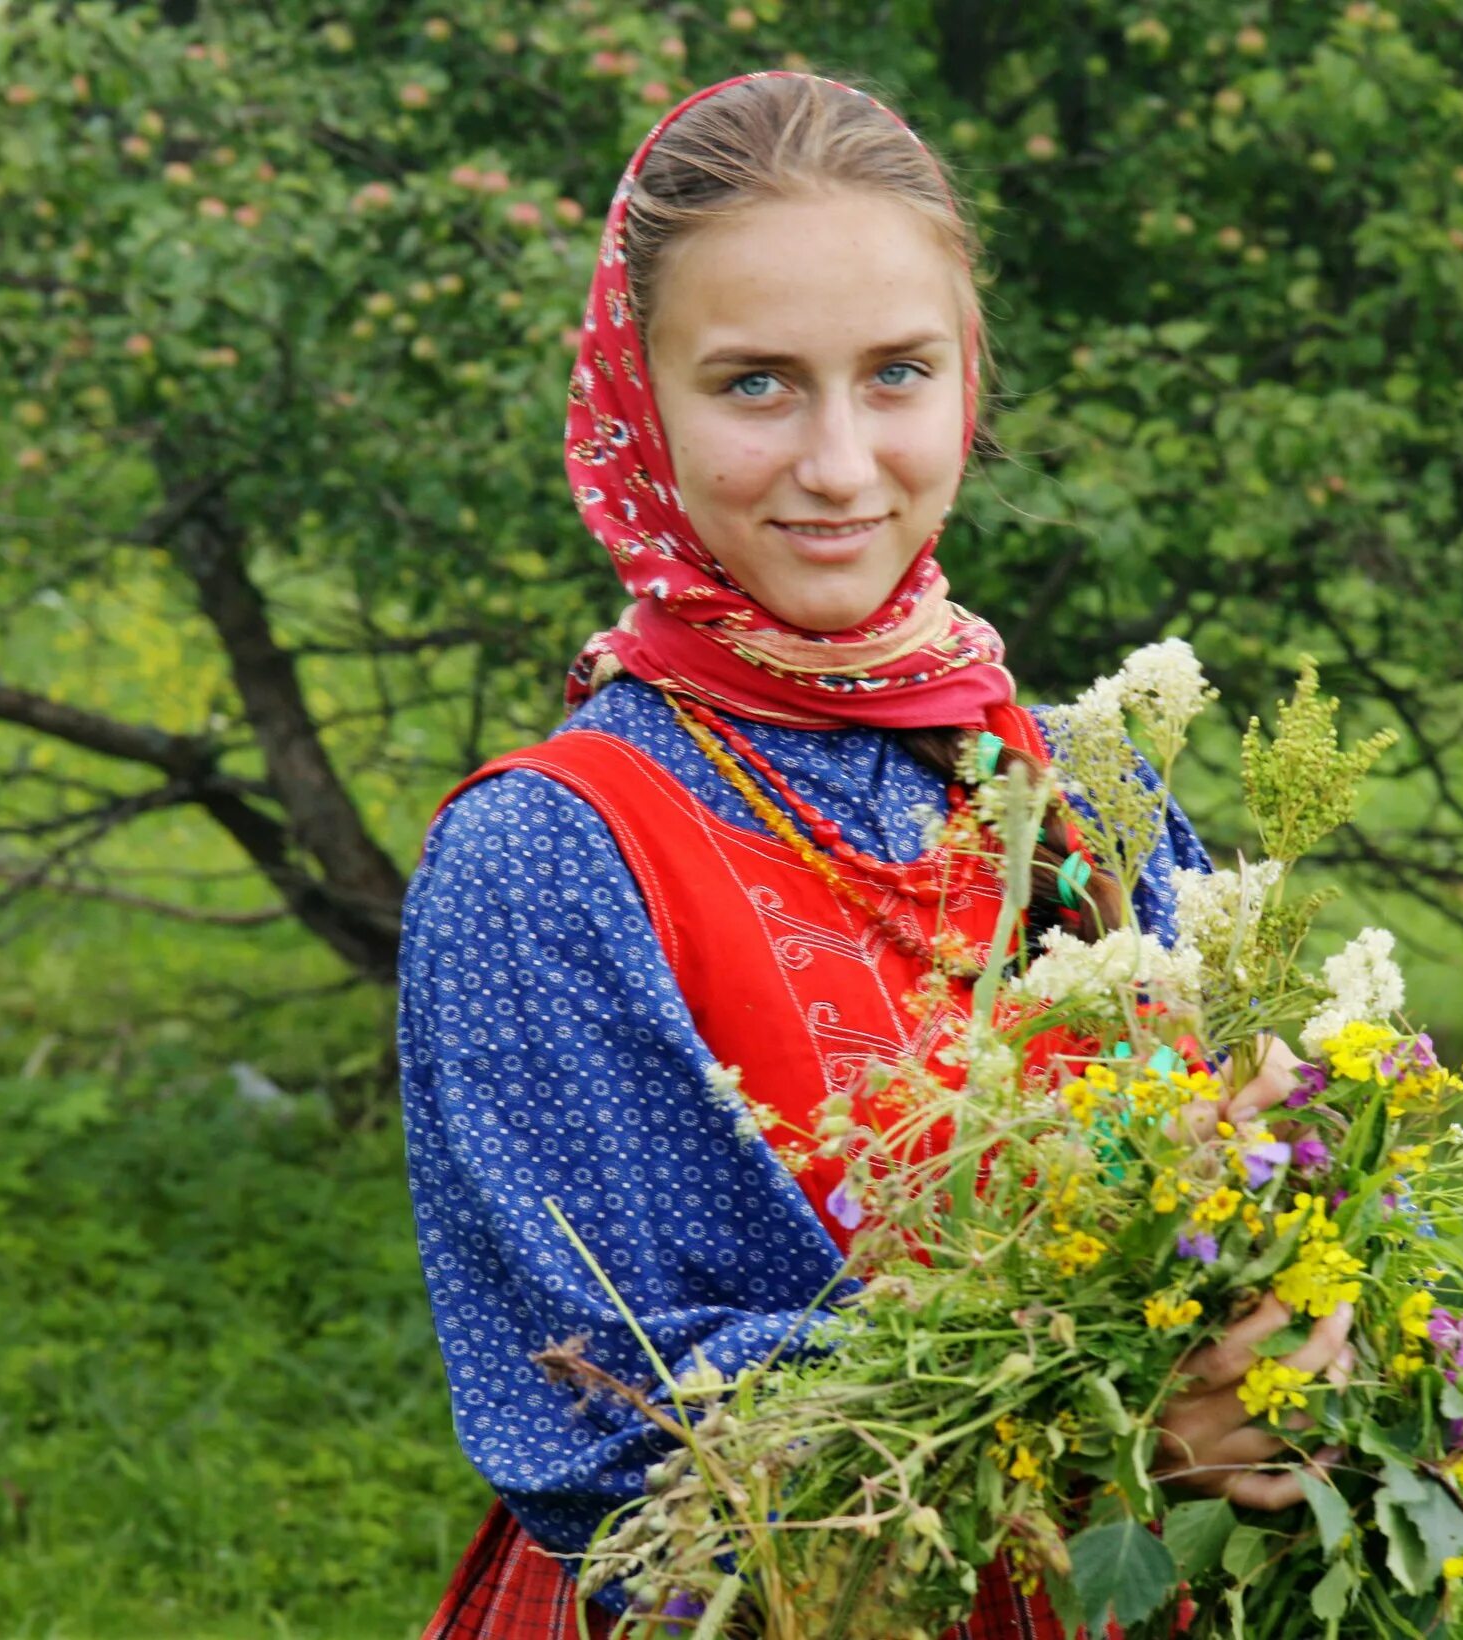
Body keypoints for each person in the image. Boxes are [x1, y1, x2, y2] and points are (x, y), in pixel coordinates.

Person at [399, 71, 1351, 1640]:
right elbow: (597, 1419)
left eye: (897, 374)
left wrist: (1301, 1319)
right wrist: (1118, 1424)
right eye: (756, 384)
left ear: (971, 381)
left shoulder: (1084, 788)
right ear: (636, 404)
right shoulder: (549, 854)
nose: (841, 465)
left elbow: (1247, 1199)